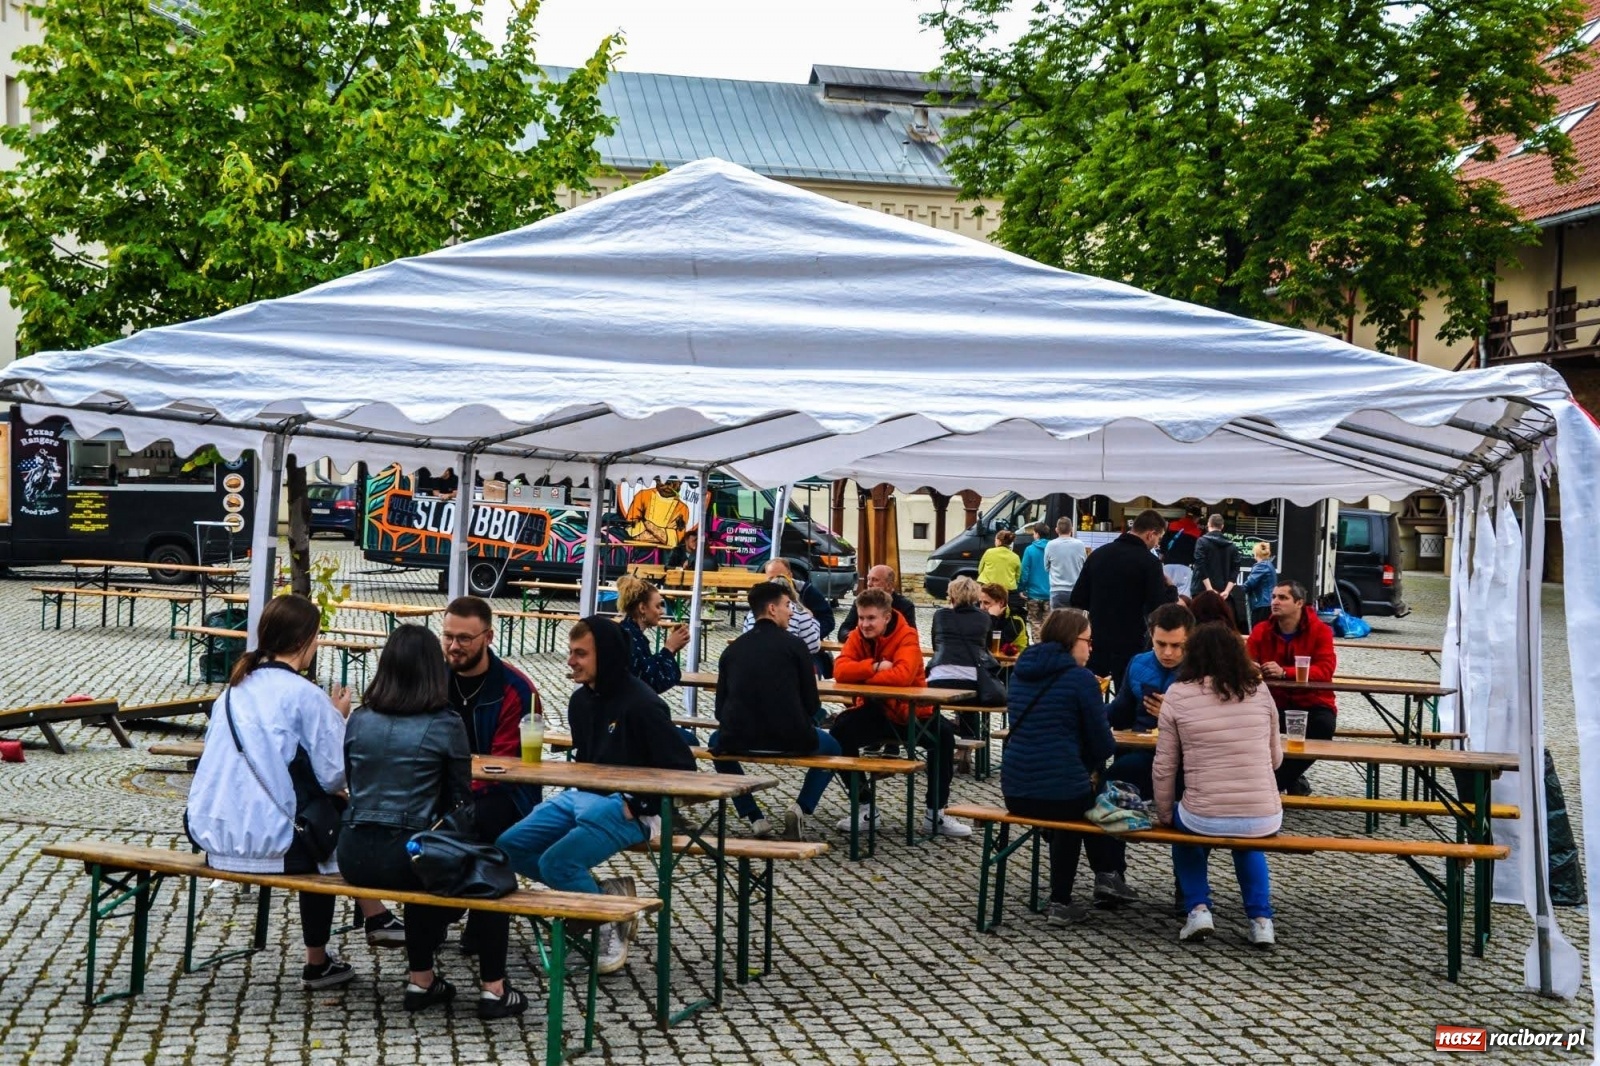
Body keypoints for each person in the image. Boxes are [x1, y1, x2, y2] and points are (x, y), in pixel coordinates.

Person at [185, 595, 401, 993]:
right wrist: (338, 719)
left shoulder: (231, 692)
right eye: (317, 636)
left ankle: (372, 919)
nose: (317, 644)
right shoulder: (304, 695)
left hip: (214, 833)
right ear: (304, 640)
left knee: (321, 821)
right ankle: (336, 945)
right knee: (335, 824)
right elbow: (335, 775)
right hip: (273, 842)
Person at [338, 625, 527, 1019]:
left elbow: (355, 784)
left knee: (423, 854)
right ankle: (494, 989)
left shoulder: (359, 718)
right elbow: (461, 802)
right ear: (432, 669)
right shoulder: (445, 721)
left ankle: (421, 980)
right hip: (407, 857)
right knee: (485, 867)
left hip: (353, 854)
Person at [496, 617, 697, 975]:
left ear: (605, 656)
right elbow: (588, 763)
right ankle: (604, 898)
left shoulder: (643, 704)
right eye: (571, 652)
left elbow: (682, 771)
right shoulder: (580, 701)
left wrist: (638, 804)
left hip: (636, 808)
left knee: (556, 863)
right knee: (509, 846)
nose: (571, 661)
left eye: (580, 654)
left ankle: (606, 926)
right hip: (583, 796)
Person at [1153, 622, 1284, 947]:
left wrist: (1164, 811)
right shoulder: (1259, 690)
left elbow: (1164, 766)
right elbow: (1276, 759)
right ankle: (1261, 920)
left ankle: (1197, 909)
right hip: (1262, 813)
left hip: (1203, 813)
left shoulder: (1178, 694)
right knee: (1249, 842)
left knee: (1185, 833)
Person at [1001, 608, 1134, 921]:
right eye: (1087, 641)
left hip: (1015, 789)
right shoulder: (1081, 680)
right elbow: (1104, 745)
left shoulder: (1021, 672)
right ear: (1070, 641)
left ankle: (1102, 878)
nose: (1091, 648)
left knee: (1077, 794)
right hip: (1059, 795)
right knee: (1101, 794)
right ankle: (1096, 880)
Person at [441, 596, 545, 954]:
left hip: (505, 794)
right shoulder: (434, 681)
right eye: (448, 637)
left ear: (488, 637)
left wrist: (456, 792)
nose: (454, 647)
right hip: (448, 789)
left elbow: (504, 766)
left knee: (483, 825)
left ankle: (481, 922)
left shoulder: (516, 690)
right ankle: (434, 915)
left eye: (464, 639)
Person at [829, 589, 971, 838]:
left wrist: (862, 676)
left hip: (913, 713)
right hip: (875, 710)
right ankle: (865, 807)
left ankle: (935, 814)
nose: (864, 624)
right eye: (861, 618)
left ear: (886, 616)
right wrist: (874, 666)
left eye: (871, 618)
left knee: (944, 737)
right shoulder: (856, 636)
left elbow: (903, 675)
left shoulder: (907, 636)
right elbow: (840, 670)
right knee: (839, 732)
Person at [710, 582, 842, 840]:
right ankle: (800, 807)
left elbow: (719, 709)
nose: (791, 612)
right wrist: (807, 720)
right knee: (835, 747)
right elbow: (812, 704)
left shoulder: (732, 650)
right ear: (772, 609)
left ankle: (754, 816)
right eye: (786, 605)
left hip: (738, 739)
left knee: (714, 743)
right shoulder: (796, 646)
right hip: (792, 737)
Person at [1246, 580, 1338, 795]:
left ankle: (1273, 784)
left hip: (1313, 702)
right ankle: (1286, 780)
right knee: (1244, 726)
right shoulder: (1262, 630)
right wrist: (1248, 667)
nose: (1275, 602)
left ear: (1299, 603)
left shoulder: (1320, 631)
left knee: (1323, 728)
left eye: (1283, 598)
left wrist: (1286, 672)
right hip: (1271, 702)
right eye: (1274, 597)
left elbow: (1325, 670)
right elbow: (1243, 661)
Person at [1069, 508, 1179, 689]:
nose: (1157, 544)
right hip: (1130, 643)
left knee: (1090, 692)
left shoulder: (1098, 555)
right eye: (1158, 539)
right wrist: (1171, 589)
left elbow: (1077, 598)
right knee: (1126, 695)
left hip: (1097, 640)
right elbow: (1158, 608)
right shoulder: (1150, 563)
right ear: (1151, 534)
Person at [1105, 603, 1195, 797]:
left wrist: (1172, 715)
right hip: (1141, 748)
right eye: (1161, 644)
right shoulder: (1139, 663)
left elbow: (1215, 726)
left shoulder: (1203, 670)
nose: (1168, 652)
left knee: (1120, 773)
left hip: (1185, 757)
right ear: (1151, 637)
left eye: (1176, 645)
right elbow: (1120, 711)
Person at [615, 574, 690, 694]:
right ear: (642, 608)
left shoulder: (629, 632)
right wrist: (669, 648)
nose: (662, 611)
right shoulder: (631, 638)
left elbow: (647, 666)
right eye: (658, 606)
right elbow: (652, 682)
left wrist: (672, 648)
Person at [760, 558, 836, 676]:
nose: (776, 582)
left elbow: (828, 620)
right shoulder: (762, 598)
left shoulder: (806, 591)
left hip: (806, 651)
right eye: (771, 579)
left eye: (781, 577)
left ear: (790, 575)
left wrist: (810, 635)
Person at [838, 564, 919, 638]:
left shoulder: (905, 605)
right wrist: (857, 639)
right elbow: (843, 631)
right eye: (868, 579)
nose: (869, 584)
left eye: (875, 580)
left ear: (889, 585)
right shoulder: (861, 602)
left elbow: (911, 635)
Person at [1190, 514, 1244, 610]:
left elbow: (1200, 565)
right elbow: (1236, 569)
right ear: (1222, 526)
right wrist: (1227, 591)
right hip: (1223, 593)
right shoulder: (1232, 545)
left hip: (1201, 591)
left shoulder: (1201, 541)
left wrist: (1209, 588)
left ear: (1208, 524)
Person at [1044, 517, 1088, 610]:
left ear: (1056, 530)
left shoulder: (1050, 545)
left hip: (1057, 590)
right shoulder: (1080, 544)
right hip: (1076, 589)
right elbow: (1085, 565)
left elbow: (1046, 567)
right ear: (1071, 529)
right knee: (1075, 622)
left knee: (1058, 622)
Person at [1018, 523, 1053, 639]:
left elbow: (1025, 571)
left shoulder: (1030, 550)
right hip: (1050, 593)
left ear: (1037, 534)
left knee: (1035, 622)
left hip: (1033, 593)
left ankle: (1038, 647)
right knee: (1048, 624)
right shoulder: (1052, 549)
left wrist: (1022, 588)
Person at [1161, 506, 1204, 596]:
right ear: (1196, 518)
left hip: (1167, 565)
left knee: (1165, 594)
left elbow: (1163, 545)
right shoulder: (1198, 532)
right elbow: (1196, 553)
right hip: (1184, 567)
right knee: (1182, 596)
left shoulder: (1171, 525)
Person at [979, 581, 1028, 657]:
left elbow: (991, 646)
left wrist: (992, 618)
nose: (981, 607)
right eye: (980, 603)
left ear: (1001, 603)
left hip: (1013, 664)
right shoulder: (983, 617)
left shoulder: (1015, 620)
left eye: (986, 603)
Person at [977, 529, 1022, 596]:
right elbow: (1018, 576)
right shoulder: (1015, 557)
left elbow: (980, 569)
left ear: (999, 541)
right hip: (1007, 589)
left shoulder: (989, 552)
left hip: (988, 587)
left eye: (995, 540)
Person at [1244, 542, 1278, 628]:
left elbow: (1249, 584)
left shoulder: (1261, 566)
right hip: (1268, 603)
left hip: (1262, 604)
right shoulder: (1269, 565)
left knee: (1259, 631)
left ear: (1255, 553)